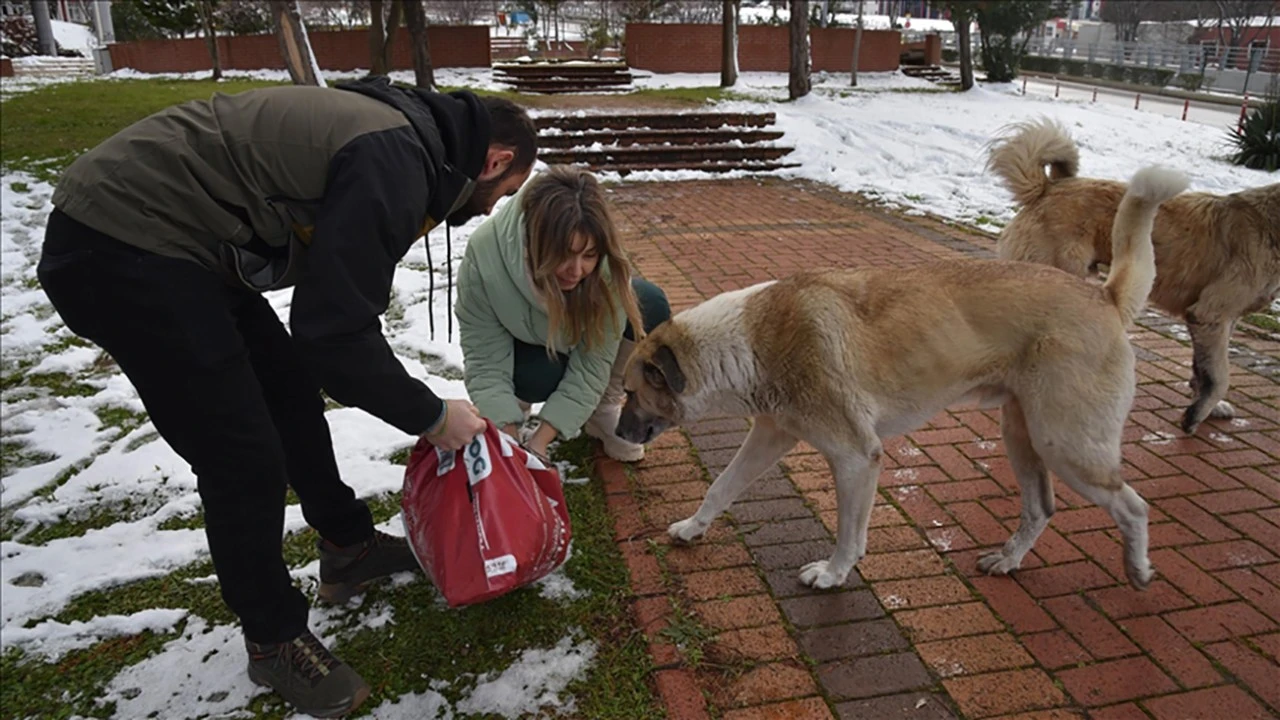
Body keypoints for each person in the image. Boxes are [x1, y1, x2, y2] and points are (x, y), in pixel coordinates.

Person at [35, 76, 538, 718]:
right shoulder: (396, 158)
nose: (495, 208)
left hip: (183, 243)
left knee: (290, 391)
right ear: (494, 162)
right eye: (506, 193)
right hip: (117, 244)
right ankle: (273, 639)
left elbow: (323, 332)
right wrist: (434, 416)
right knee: (241, 455)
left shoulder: (405, 135)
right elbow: (336, 334)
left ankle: (347, 546)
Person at [455, 165, 671, 464]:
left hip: (572, 343)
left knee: (648, 302)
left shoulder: (606, 265)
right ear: (535, 243)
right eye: (564, 254)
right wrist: (510, 436)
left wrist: (540, 443)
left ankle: (601, 409)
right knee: (536, 377)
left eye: (589, 255)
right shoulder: (484, 255)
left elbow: (593, 362)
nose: (577, 270)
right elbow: (485, 361)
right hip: (525, 350)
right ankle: (513, 410)